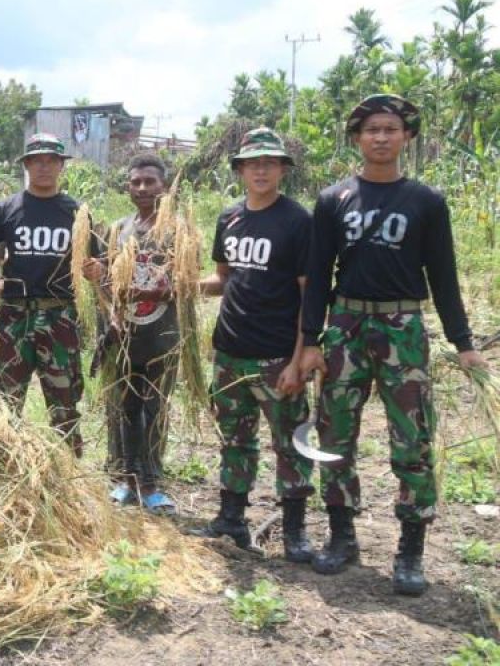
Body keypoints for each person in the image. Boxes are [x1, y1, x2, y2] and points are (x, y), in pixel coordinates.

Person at [299, 94, 487, 595]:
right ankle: (342, 536)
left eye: (391, 129)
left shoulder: (426, 201)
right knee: (335, 433)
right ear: (357, 138)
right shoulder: (333, 199)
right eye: (371, 130)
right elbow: (317, 276)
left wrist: (463, 342)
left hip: (403, 327)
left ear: (407, 137)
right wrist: (310, 341)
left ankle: (411, 551)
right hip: (346, 327)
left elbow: (443, 276)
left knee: (413, 438)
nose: (381, 137)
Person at [193, 129, 314, 560]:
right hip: (229, 354)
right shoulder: (229, 218)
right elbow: (224, 280)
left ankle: (296, 529)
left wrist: (300, 357)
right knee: (235, 439)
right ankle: (231, 518)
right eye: (252, 162)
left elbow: (309, 294)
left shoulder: (298, 221)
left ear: (282, 168)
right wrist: (183, 285)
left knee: (291, 441)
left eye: (269, 162)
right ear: (241, 169)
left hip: (276, 357)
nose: (261, 169)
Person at [0, 133, 101, 457]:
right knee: (3, 401)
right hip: (14, 315)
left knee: (64, 403)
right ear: (27, 164)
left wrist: (96, 273)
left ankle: (69, 478)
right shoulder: (5, 210)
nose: (44, 166)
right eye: (37, 160)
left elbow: (96, 263)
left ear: (61, 165)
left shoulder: (78, 213)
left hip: (59, 316)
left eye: (51, 160)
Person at [103, 153, 181, 513]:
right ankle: (122, 479)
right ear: (127, 187)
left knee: (154, 410)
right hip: (122, 338)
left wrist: (156, 293)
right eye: (136, 182)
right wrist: (111, 312)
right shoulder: (118, 230)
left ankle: (151, 483)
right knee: (121, 408)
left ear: (164, 187)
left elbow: (186, 282)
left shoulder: (179, 230)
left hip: (162, 336)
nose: (142, 188)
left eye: (150, 181)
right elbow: (106, 283)